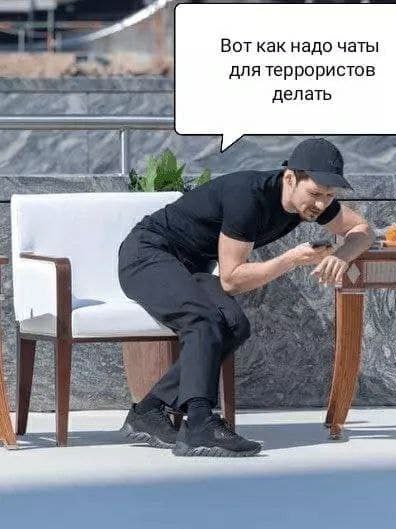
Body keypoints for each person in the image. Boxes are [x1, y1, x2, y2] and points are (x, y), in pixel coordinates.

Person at [117, 138, 374, 457]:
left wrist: (342, 256)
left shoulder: (310, 203)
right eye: (315, 194)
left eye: (329, 195)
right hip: (147, 256)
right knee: (202, 319)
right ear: (290, 178)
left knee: (235, 324)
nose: (321, 205)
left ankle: (148, 411)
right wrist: (290, 260)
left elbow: (362, 229)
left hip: (189, 268)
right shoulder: (248, 197)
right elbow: (231, 280)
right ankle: (199, 425)